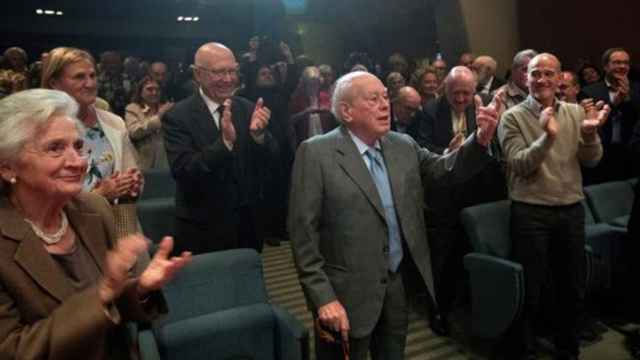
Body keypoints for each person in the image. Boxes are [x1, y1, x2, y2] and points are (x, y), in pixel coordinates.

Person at [288, 71, 499, 359]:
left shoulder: (402, 144)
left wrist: (480, 140)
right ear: (346, 111)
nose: (385, 105)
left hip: (397, 285)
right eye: (373, 99)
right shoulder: (316, 153)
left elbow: (444, 170)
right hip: (346, 293)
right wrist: (323, 299)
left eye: (385, 97)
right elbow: (303, 235)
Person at [0, 89, 191, 359]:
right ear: (8, 167)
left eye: (78, 146)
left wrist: (140, 289)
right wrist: (102, 293)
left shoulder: (93, 208)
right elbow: (12, 351)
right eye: (55, 148)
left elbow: (113, 308)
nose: (78, 162)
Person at [498, 53, 609, 359]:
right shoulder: (512, 116)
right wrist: (547, 138)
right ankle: (525, 350)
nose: (542, 80)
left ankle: (567, 349)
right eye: (535, 74)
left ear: (560, 78)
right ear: (526, 78)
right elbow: (519, 164)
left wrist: (589, 135)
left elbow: (592, 159)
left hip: (571, 208)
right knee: (531, 290)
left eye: (549, 73)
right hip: (530, 211)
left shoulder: (574, 112)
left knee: (571, 287)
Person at [162, 42, 278, 255]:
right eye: (219, 72)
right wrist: (224, 144)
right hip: (202, 230)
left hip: (247, 227)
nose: (228, 79)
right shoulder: (178, 116)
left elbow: (270, 162)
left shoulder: (248, 108)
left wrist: (259, 137)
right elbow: (184, 171)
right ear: (198, 74)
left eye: (232, 71)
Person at [42, 47, 143, 210]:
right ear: (54, 83)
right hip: (62, 229)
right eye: (79, 77)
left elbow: (131, 174)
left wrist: (132, 185)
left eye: (92, 76)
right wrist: (99, 196)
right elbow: (39, 198)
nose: (90, 84)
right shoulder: (40, 127)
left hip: (112, 227)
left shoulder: (114, 123)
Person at [582, 48, 640, 183]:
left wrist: (627, 100)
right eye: (617, 63)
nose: (622, 66)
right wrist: (613, 103)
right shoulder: (590, 91)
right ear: (606, 66)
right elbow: (591, 124)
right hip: (603, 154)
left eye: (626, 63)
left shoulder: (637, 89)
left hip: (632, 154)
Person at [125, 76, 173, 170]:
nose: (154, 93)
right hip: (143, 163)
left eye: (157, 89)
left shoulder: (168, 108)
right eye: (149, 89)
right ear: (140, 92)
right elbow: (134, 132)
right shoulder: (132, 108)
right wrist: (159, 116)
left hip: (167, 163)